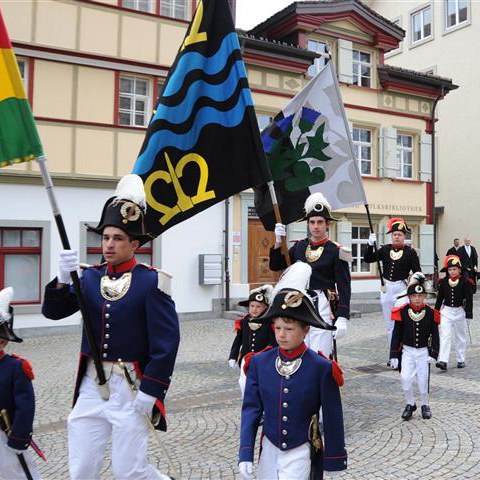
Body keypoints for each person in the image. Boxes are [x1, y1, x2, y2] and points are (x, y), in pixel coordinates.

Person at [42, 175, 180, 480]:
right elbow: (52, 312)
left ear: (134, 243)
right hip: (92, 383)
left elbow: (167, 342)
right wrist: (63, 279)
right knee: (82, 468)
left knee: (129, 471)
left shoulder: (151, 282)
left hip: (130, 385)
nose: (109, 244)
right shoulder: (88, 277)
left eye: (118, 238)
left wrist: (152, 390)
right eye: (105, 237)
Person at [238, 262, 347, 480]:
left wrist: (333, 459)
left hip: (301, 449)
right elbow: (251, 410)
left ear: (306, 330)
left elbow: (334, 416)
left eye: (289, 329)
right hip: (269, 446)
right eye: (277, 328)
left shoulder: (321, 367)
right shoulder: (260, 363)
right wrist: (245, 453)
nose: (281, 334)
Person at [269, 192, 351, 358]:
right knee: (299, 350)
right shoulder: (299, 247)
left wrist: (343, 317)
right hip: (299, 302)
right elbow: (276, 265)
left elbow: (344, 286)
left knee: (320, 354)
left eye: (320, 222)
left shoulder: (336, 251)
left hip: (323, 304)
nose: (315, 226)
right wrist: (278, 242)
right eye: (312, 222)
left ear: (327, 224)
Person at [0, 287, 42, 480]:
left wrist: (18, 439)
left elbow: (25, 408)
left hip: (6, 434)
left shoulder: (16, 367)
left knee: (16, 473)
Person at [365, 217, 421, 352]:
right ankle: (393, 353)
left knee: (402, 322)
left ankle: (404, 351)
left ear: (404, 236)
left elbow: (417, 272)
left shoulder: (410, 252)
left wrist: (415, 286)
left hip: (401, 289)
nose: (397, 237)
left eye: (400, 235)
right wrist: (369, 245)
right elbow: (368, 259)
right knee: (390, 324)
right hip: (387, 288)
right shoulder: (384, 250)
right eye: (394, 234)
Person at [389, 273, 439, 421]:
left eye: (420, 296)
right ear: (409, 297)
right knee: (405, 378)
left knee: (423, 380)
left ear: (424, 297)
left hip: (423, 351)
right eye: (414, 296)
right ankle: (410, 403)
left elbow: (435, 335)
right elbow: (396, 335)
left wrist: (434, 353)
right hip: (407, 352)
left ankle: (425, 404)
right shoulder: (402, 312)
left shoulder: (431, 313)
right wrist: (393, 355)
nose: (417, 299)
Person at [228, 285, 277, 397]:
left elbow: (274, 343)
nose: (254, 309)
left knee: (261, 384)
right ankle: (247, 404)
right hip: (245, 358)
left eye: (258, 306)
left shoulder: (269, 323)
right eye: (252, 306)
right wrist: (233, 356)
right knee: (243, 382)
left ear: (265, 308)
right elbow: (238, 341)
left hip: (262, 359)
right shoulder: (244, 322)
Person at [435, 255, 472, 371]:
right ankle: (443, 361)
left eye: (455, 269)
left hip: (460, 311)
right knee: (445, 336)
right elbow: (440, 298)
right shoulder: (443, 282)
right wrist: (436, 312)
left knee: (460, 337)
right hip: (447, 312)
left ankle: (461, 359)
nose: (452, 271)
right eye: (450, 269)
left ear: (459, 270)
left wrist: (469, 313)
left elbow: (469, 298)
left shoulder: (465, 282)